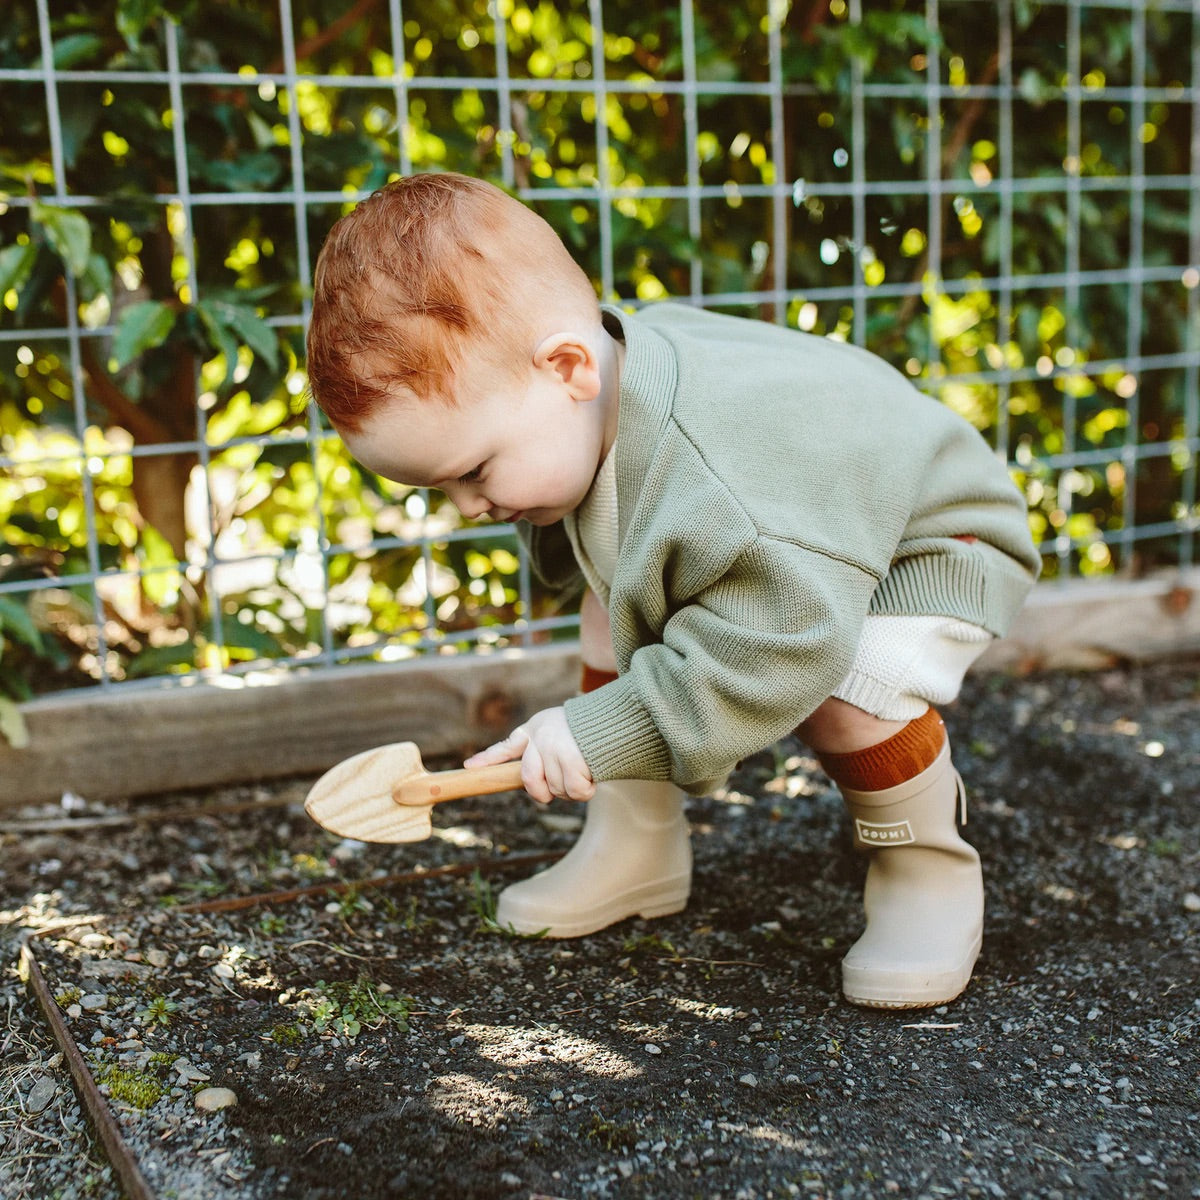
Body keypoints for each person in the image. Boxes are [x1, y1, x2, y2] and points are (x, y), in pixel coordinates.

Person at [305, 172, 1041, 1010]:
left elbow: (781, 647)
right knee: (609, 600)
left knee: (848, 683)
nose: (468, 506)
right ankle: (636, 841)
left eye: (473, 470)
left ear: (568, 367)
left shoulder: (722, 479)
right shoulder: (589, 395)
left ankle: (923, 866)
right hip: (802, 541)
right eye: (440, 488)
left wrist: (598, 729)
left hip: (925, 542)